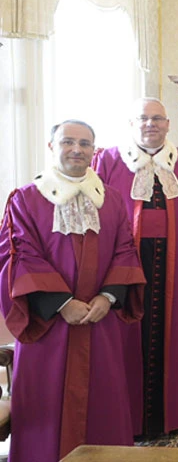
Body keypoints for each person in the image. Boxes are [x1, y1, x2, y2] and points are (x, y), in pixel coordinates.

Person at [0, 120, 146, 462]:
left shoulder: (111, 200)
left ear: (94, 150)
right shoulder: (26, 199)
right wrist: (62, 303)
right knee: (45, 405)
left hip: (100, 318)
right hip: (49, 324)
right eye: (68, 142)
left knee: (103, 398)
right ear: (52, 146)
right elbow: (20, 256)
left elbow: (126, 249)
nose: (77, 149)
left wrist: (108, 297)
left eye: (84, 143)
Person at [93, 98, 178, 437]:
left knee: (176, 332)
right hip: (121, 267)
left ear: (168, 124)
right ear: (131, 123)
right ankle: (127, 415)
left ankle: (177, 409)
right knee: (124, 336)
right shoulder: (107, 160)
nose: (150, 124)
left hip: (176, 268)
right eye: (143, 118)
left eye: (157, 119)